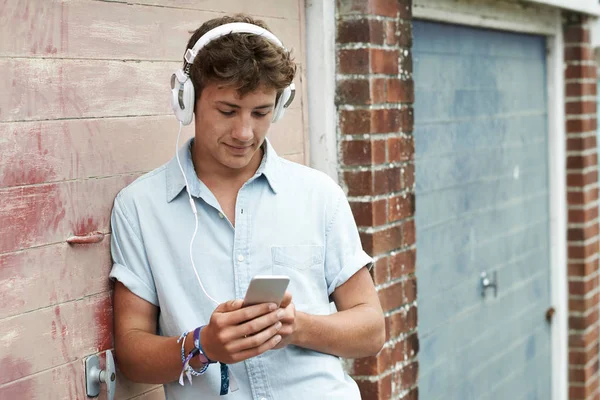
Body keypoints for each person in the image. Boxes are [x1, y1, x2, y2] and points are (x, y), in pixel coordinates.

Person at [109, 13, 385, 400]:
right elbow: (131, 355)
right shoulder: (139, 207)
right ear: (187, 100)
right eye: (227, 111)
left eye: (260, 113)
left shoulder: (319, 195)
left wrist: (296, 327)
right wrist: (202, 346)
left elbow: (371, 330)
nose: (244, 132)